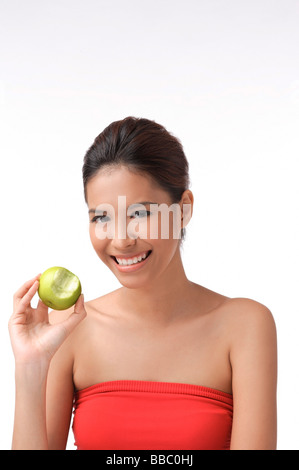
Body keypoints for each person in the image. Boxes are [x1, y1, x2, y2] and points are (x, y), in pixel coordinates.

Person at [9, 117, 277, 450]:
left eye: (140, 213)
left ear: (183, 210)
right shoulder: (69, 328)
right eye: (101, 217)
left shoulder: (244, 325)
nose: (121, 240)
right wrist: (31, 366)